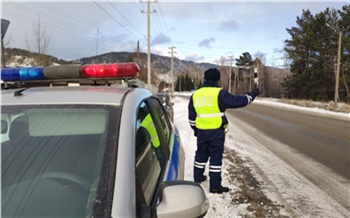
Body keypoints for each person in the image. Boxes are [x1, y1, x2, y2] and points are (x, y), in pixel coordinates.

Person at [188, 68, 259, 194]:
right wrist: (252, 94)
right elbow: (239, 101)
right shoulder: (220, 93)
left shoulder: (196, 94)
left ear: (205, 78)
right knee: (215, 157)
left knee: (200, 154)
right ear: (217, 79)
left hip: (202, 132)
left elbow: (192, 116)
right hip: (216, 131)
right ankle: (215, 186)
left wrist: (195, 129)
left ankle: (197, 178)